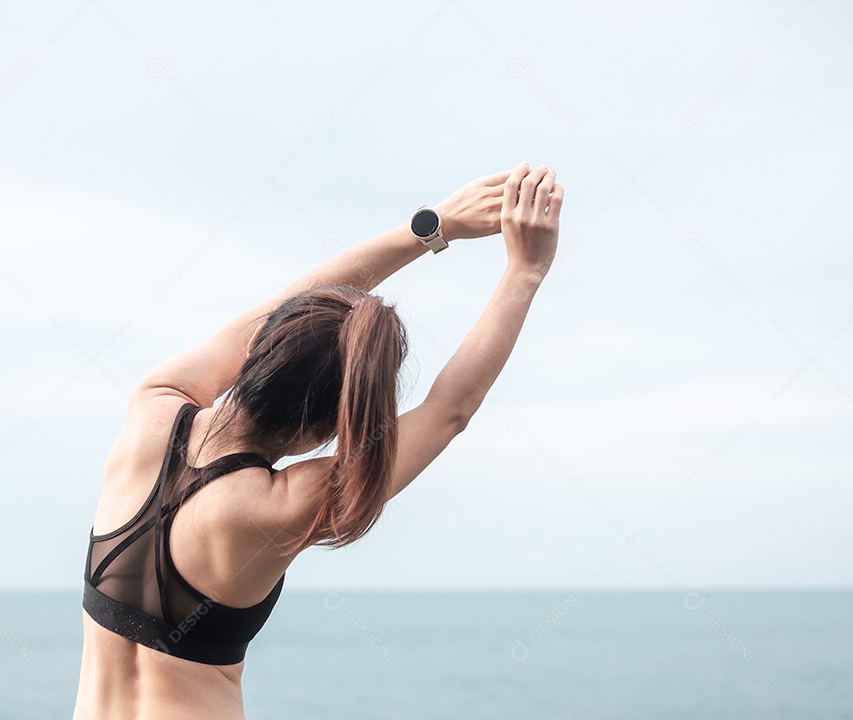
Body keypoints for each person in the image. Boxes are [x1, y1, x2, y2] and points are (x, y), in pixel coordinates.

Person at [72, 161, 564, 719]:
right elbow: (448, 411)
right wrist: (525, 273)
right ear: (329, 429)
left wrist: (435, 225)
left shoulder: (154, 406)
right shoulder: (275, 508)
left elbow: (277, 313)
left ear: (259, 347)